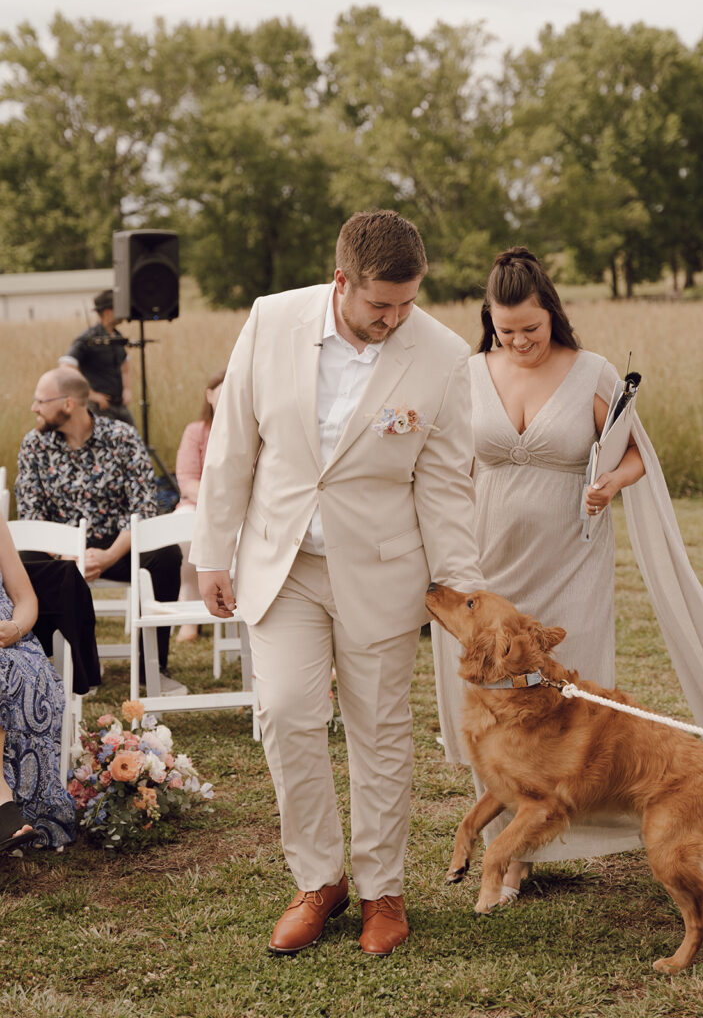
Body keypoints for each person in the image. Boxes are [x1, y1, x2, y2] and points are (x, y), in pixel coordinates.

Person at [432, 246, 703, 903]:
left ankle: (560, 820)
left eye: (532, 328)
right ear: (489, 322)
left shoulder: (591, 372)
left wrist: (610, 481)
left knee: (561, 714)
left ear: (551, 314)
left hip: (568, 558)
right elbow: (450, 465)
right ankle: (511, 862)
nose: (521, 342)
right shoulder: (469, 373)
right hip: (488, 555)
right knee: (490, 704)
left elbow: (636, 451)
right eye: (507, 332)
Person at [190, 210, 483, 956]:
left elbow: (446, 486)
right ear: (341, 280)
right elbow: (233, 447)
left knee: (380, 734)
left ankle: (384, 890)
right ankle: (319, 881)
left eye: (407, 303)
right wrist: (212, 553)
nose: (394, 319)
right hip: (281, 565)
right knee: (287, 714)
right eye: (380, 304)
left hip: (381, 574)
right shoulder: (271, 320)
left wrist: (463, 593)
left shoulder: (444, 356)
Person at [15, 368, 185, 695]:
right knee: (25, 560)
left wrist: (108, 556)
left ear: (67, 404)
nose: (33, 408)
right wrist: (66, 555)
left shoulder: (122, 437)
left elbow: (143, 506)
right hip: (58, 546)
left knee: (166, 555)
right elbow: (30, 512)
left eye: (40, 401)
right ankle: (70, 666)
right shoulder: (33, 445)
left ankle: (151, 667)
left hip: (117, 542)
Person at [0, 513, 77, 851]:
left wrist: (15, 628)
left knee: (23, 675)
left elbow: (26, 598)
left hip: (8, 638)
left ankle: (14, 808)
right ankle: (3, 803)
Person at [173, 370, 225, 642]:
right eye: (222, 391)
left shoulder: (254, 429)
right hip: (197, 504)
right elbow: (187, 480)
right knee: (183, 537)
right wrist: (216, 502)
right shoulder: (196, 431)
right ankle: (189, 618)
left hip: (239, 506)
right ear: (209, 395)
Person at [59, 289, 135, 425]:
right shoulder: (88, 338)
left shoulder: (117, 336)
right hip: (100, 408)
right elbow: (66, 366)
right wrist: (91, 394)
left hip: (120, 405)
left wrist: (127, 389)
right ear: (107, 312)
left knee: (132, 441)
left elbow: (125, 365)